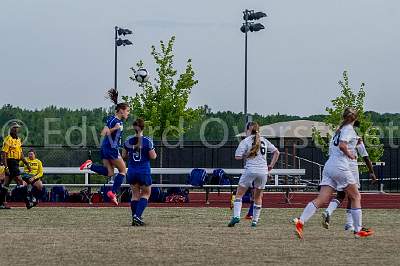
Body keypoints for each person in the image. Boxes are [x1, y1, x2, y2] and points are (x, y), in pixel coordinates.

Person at [293, 107, 373, 238]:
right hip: (340, 166)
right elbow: (342, 146)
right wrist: (350, 155)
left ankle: (300, 222)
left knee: (322, 199)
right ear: (355, 118)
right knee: (356, 196)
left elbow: (336, 147)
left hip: (329, 165)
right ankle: (358, 230)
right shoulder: (348, 129)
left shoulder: (338, 130)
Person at [80, 88, 130, 206]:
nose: (128, 113)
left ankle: (90, 165)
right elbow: (103, 132)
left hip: (106, 148)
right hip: (111, 149)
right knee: (123, 171)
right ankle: (112, 192)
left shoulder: (116, 120)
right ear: (121, 111)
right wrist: (115, 128)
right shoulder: (114, 121)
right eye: (127, 111)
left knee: (109, 173)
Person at [228, 121, 280, 227]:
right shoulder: (264, 140)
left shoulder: (245, 141)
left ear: (248, 130)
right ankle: (255, 221)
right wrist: (271, 166)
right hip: (263, 172)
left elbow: (237, 156)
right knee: (258, 197)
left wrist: (246, 155)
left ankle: (236, 216)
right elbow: (277, 152)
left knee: (239, 194)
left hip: (250, 170)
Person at [322, 137, 377, 231]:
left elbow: (331, 153)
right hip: (351, 168)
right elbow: (365, 156)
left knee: (340, 194)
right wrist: (371, 171)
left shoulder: (336, 137)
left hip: (339, 167)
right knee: (354, 196)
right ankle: (350, 224)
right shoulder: (356, 137)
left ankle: (328, 211)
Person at [122, 118, 157, 226]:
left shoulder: (128, 141)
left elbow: (124, 156)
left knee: (135, 195)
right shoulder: (147, 141)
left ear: (134, 128)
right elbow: (153, 156)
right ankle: (137, 216)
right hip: (143, 171)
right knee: (146, 193)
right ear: (143, 128)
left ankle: (134, 218)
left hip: (132, 171)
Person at [1, 122, 33, 209]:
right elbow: (4, 154)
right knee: (20, 181)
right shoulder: (8, 139)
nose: (16, 129)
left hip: (16, 162)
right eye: (14, 127)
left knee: (6, 184)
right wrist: (6, 167)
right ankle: (28, 202)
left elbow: (21, 154)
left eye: (17, 128)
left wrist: (27, 164)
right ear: (11, 129)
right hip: (10, 162)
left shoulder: (18, 140)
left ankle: (1, 204)